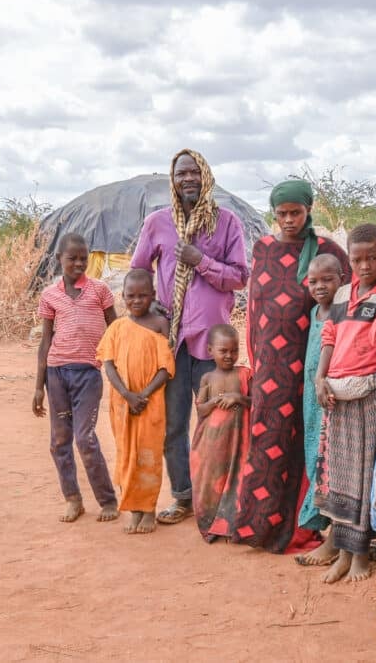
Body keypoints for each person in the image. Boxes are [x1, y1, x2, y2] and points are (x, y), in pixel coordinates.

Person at [130, 149, 249, 526]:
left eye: (194, 173)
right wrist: (153, 312)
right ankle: (183, 497)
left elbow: (239, 277)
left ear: (206, 176)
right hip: (172, 342)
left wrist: (201, 261)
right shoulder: (157, 223)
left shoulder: (226, 223)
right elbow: (138, 272)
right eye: (181, 173)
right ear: (173, 178)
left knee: (216, 423)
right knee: (175, 424)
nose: (188, 180)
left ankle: (216, 498)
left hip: (215, 346)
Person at [236, 180, 350, 554]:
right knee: (268, 437)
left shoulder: (328, 251)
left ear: (308, 209)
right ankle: (258, 524)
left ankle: (302, 526)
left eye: (295, 213)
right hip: (271, 365)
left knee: (309, 439)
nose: (288, 220)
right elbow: (255, 310)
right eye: (281, 213)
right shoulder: (263, 249)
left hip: (316, 359)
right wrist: (256, 360)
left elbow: (344, 303)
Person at [313, 223, 376, 583]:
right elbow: (329, 336)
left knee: (364, 473)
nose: (365, 265)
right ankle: (341, 550)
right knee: (339, 473)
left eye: (372, 258)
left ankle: (359, 554)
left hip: (370, 392)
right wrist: (320, 378)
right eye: (357, 259)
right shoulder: (341, 295)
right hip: (338, 391)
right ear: (349, 260)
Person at [32, 233, 119, 523]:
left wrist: (118, 367)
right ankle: (73, 499)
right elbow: (45, 341)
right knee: (59, 440)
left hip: (88, 374)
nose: (79, 263)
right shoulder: (50, 295)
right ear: (59, 260)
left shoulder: (100, 290)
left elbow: (115, 329)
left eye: (83, 258)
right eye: (72, 258)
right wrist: (38, 387)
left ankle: (107, 500)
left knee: (84, 437)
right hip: (56, 374)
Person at [96, 269, 175, 534]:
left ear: (153, 295)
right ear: (123, 297)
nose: (137, 301)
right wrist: (128, 396)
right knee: (126, 456)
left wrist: (144, 394)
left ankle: (149, 509)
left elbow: (165, 367)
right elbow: (108, 364)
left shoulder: (160, 324)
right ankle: (133, 509)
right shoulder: (117, 327)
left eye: (143, 295)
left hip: (151, 404)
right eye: (131, 296)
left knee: (148, 456)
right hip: (123, 406)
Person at [294, 253, 344, 566]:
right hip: (311, 403)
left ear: (342, 278)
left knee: (332, 466)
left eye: (327, 279)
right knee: (315, 461)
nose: (320, 286)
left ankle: (336, 539)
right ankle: (327, 536)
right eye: (313, 281)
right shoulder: (314, 312)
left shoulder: (342, 313)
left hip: (331, 400)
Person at [189, 324, 253, 540]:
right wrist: (216, 400)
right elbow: (201, 410)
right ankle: (211, 525)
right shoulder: (207, 378)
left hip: (237, 440)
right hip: (212, 441)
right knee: (211, 481)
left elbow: (256, 402)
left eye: (234, 350)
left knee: (237, 480)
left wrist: (238, 398)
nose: (229, 356)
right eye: (223, 351)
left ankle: (231, 526)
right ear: (210, 351)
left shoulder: (244, 374)